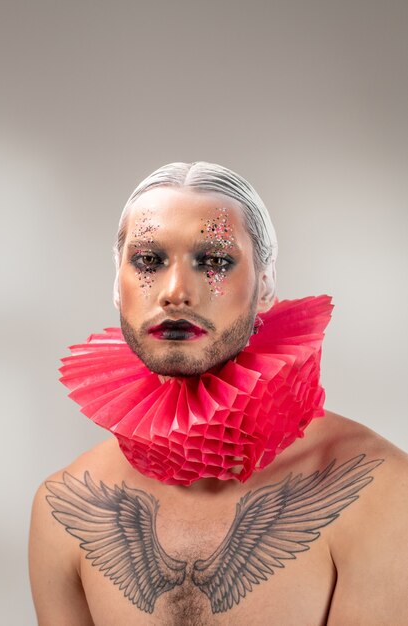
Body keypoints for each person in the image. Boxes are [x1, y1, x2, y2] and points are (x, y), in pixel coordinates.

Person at [29, 162, 408, 626]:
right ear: (116, 284)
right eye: (149, 261)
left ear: (265, 284)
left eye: (213, 261)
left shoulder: (378, 489)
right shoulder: (63, 508)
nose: (175, 292)